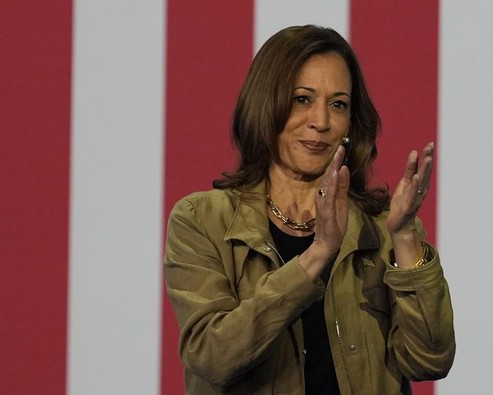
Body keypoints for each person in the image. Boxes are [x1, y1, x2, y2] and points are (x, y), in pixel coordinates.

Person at [163, 25, 455, 394]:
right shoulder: (201, 220)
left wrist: (405, 236)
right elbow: (212, 357)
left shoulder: (381, 227)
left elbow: (430, 360)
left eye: (338, 104)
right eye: (302, 99)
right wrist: (318, 255)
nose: (321, 122)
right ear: (267, 103)